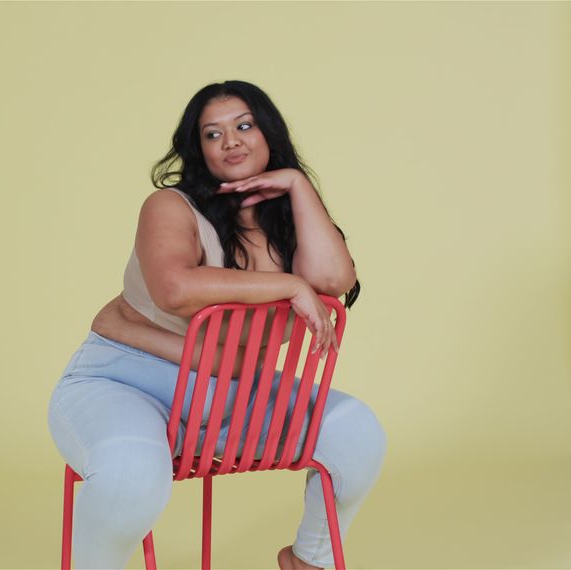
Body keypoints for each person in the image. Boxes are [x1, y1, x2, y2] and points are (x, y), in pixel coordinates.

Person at [48, 80, 386, 569]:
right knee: (130, 479)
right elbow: (175, 289)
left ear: (269, 133)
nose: (231, 141)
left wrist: (298, 185)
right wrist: (289, 286)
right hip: (126, 381)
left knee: (356, 432)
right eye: (213, 133)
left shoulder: (289, 220)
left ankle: (308, 560)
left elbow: (334, 280)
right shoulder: (170, 207)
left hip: (234, 393)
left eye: (245, 126)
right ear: (198, 148)